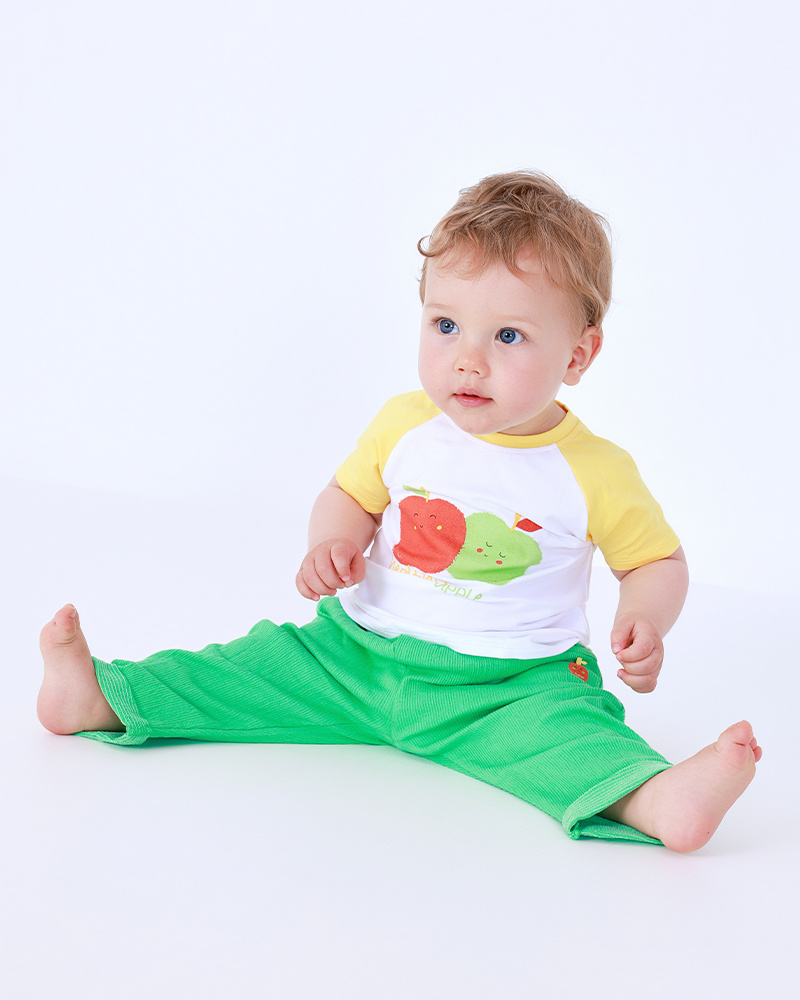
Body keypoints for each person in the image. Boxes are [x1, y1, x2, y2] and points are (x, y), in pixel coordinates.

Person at [37, 170, 761, 852]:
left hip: (507, 689)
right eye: (446, 325)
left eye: (507, 336)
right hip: (355, 657)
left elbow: (656, 561)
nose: (468, 359)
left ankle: (656, 798)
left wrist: (644, 617)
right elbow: (350, 495)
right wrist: (332, 541)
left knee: (569, 739)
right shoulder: (405, 425)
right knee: (245, 667)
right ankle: (105, 695)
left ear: (579, 354)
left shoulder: (594, 470)